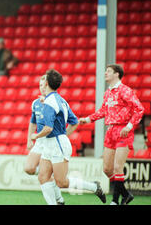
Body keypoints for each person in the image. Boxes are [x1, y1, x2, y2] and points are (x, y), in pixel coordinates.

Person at [30, 69, 106, 205]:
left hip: (56, 144)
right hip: (53, 143)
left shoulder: (49, 102)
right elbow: (74, 122)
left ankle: (94, 187)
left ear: (46, 83)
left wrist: (36, 135)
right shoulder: (61, 100)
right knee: (43, 176)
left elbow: (48, 128)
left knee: (61, 182)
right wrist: (64, 136)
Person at [79, 64, 144, 205]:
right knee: (107, 169)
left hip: (123, 131)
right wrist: (89, 119)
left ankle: (115, 200)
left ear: (117, 74)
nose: (105, 73)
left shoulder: (125, 90)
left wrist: (129, 126)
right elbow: (103, 111)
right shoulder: (108, 92)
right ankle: (126, 195)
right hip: (111, 131)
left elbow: (139, 109)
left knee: (117, 167)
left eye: (108, 71)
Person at [24, 75, 65, 205]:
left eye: (44, 85)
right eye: (40, 86)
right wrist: (29, 139)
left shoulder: (52, 102)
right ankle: (49, 178)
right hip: (40, 141)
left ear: (48, 85)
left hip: (51, 141)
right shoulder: (35, 103)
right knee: (29, 168)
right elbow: (32, 122)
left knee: (44, 176)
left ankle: (58, 199)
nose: (42, 88)